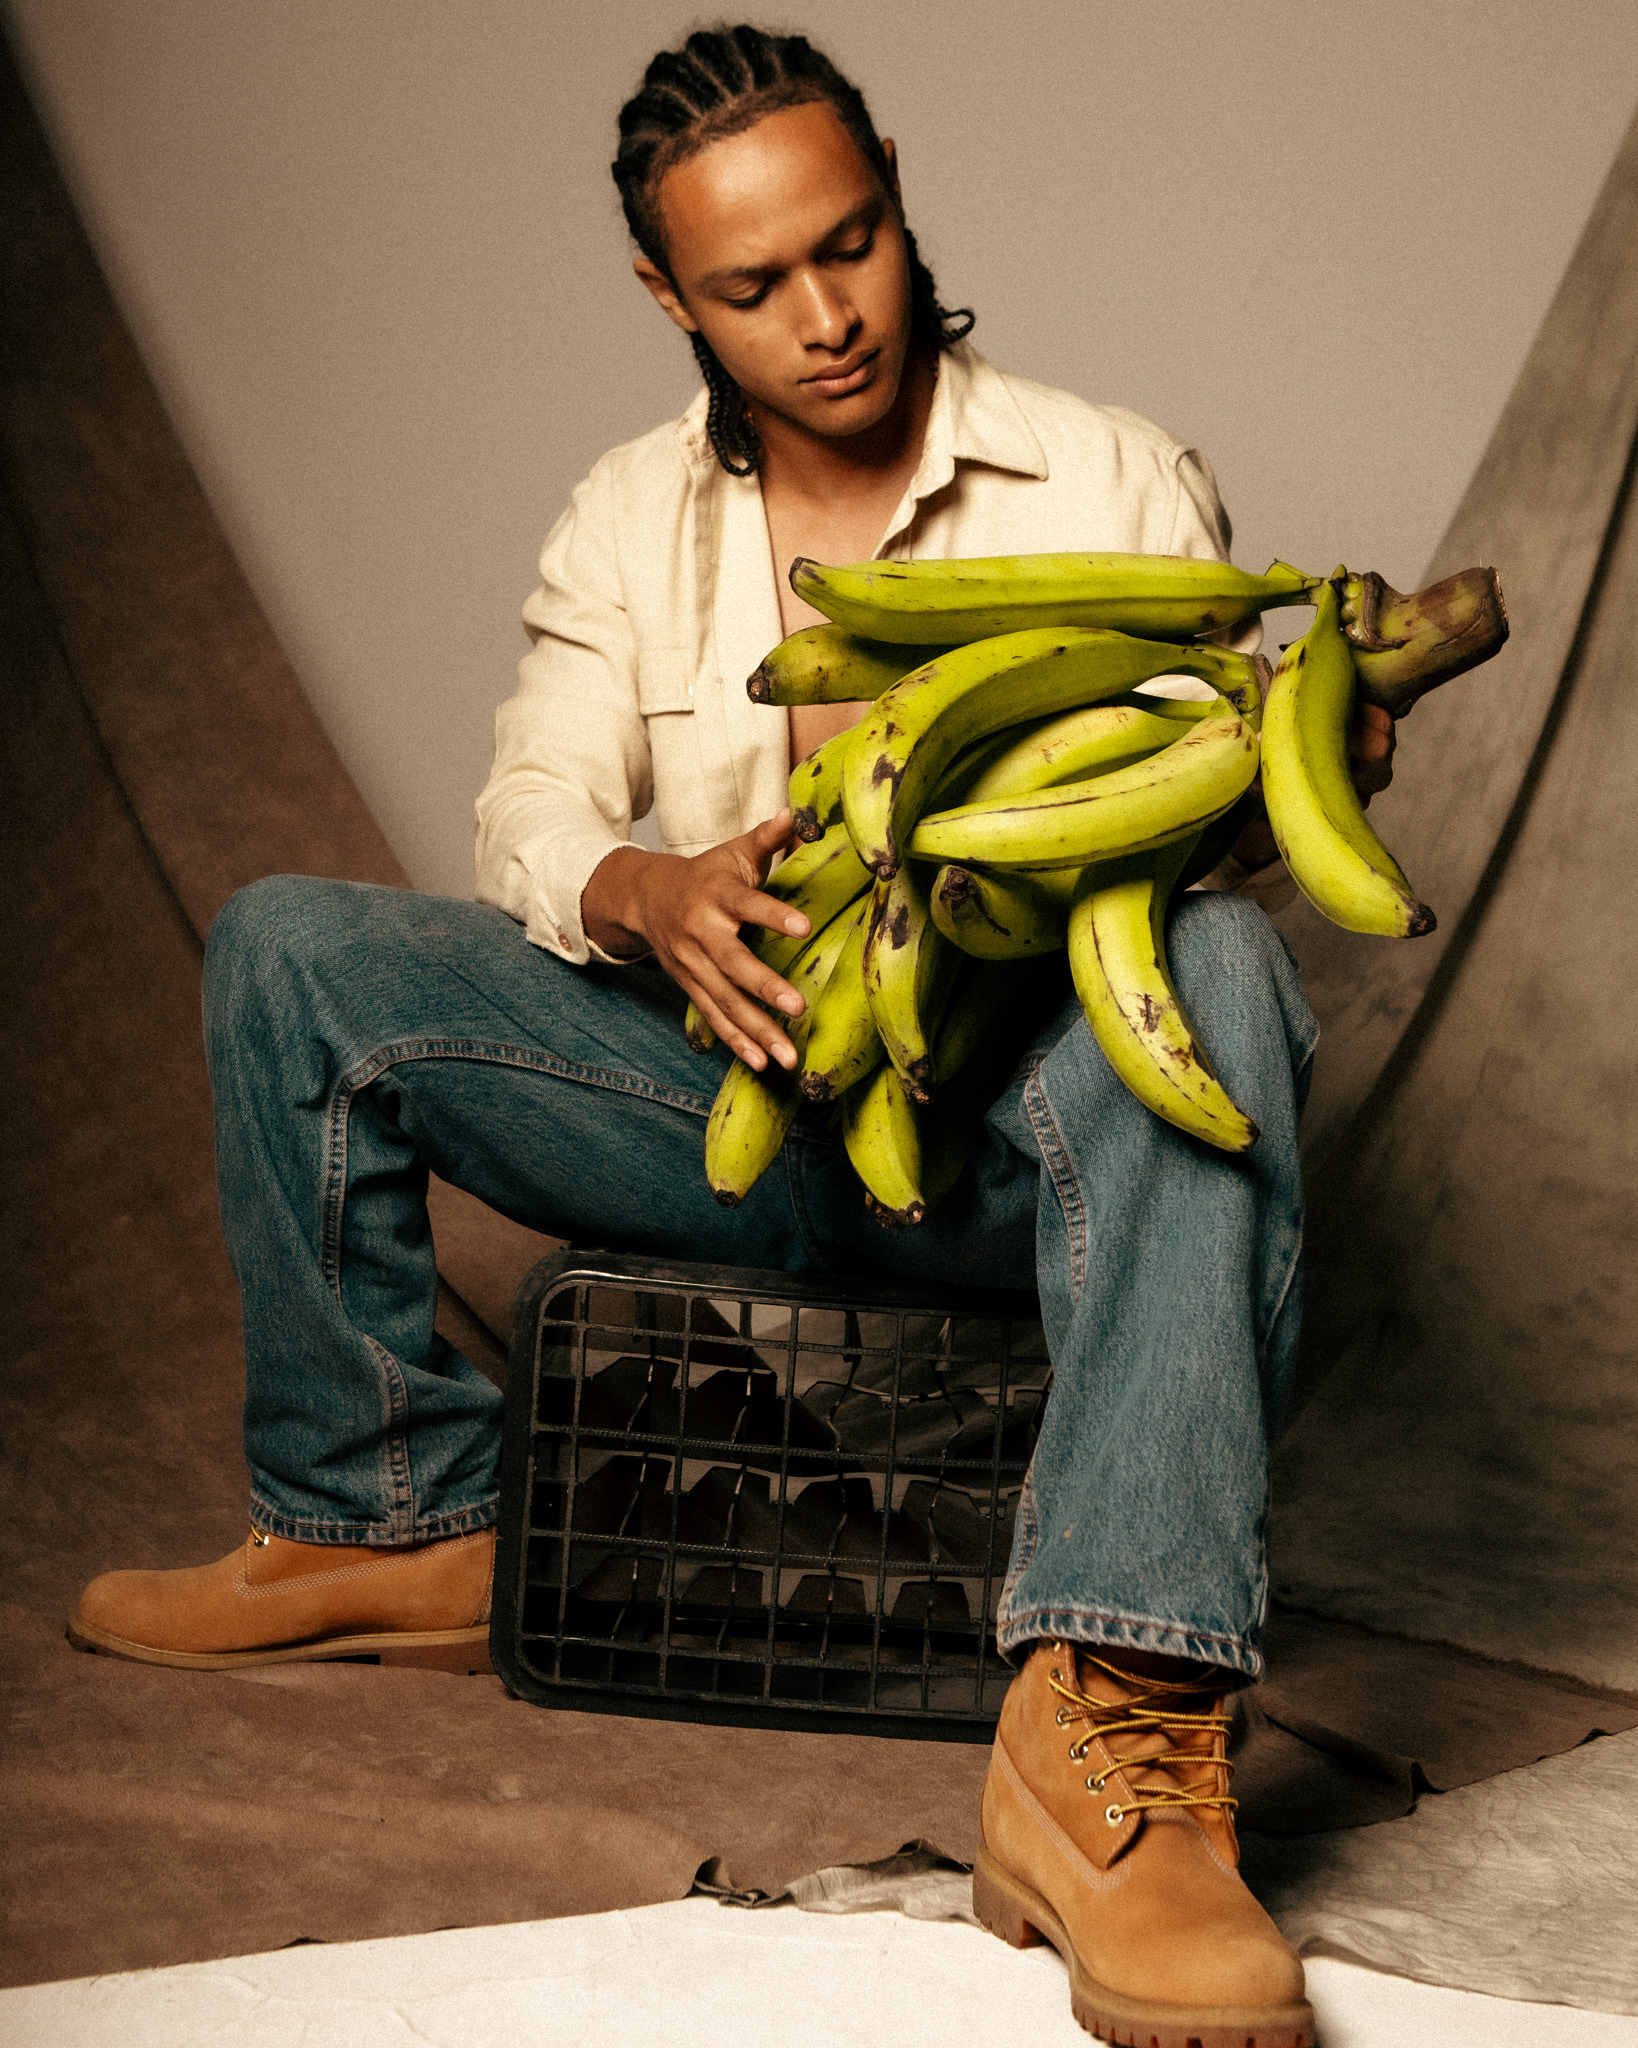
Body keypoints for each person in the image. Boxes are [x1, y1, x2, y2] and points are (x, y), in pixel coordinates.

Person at [70, 26, 1394, 2045]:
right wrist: (642, 891)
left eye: (847, 245)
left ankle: (1111, 1721)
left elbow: (1184, 840)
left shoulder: (1115, 474)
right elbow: (531, 801)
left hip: (1008, 1137)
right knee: (290, 948)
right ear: (666, 293)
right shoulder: (628, 515)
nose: (825, 316)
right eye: (753, 284)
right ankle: (388, 1519)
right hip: (709, 1098)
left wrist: (1304, 772)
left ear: (896, 191)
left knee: (1219, 968)